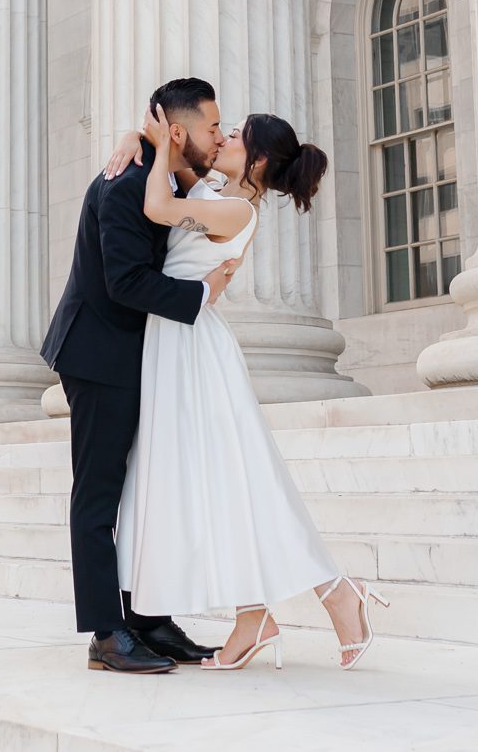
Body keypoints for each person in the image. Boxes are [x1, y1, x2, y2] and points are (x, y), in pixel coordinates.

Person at [105, 108, 391, 671]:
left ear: (256, 160)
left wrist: (160, 141)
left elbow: (158, 206)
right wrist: (134, 136)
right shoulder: (217, 192)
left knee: (237, 479)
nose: (226, 136)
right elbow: (182, 179)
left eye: (236, 136)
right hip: (176, 341)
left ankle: (331, 593)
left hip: (193, 351)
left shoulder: (235, 210)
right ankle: (256, 614)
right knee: (218, 484)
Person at [39, 78, 242, 674]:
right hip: (98, 357)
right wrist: (201, 292)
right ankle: (107, 632)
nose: (218, 136)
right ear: (176, 131)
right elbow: (125, 281)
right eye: (211, 127)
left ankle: (149, 617)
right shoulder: (125, 183)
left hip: (138, 358)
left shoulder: (165, 177)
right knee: (100, 495)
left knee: (143, 493)